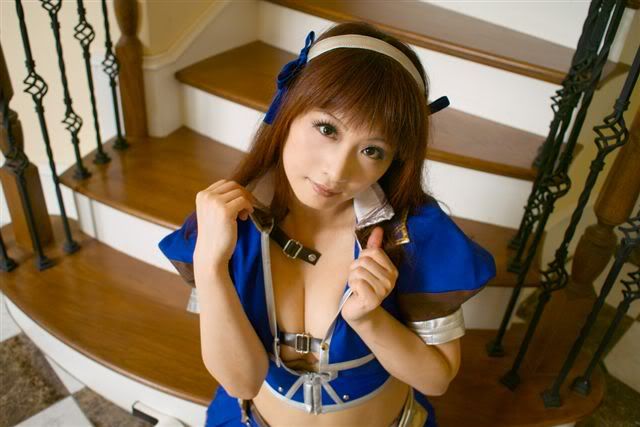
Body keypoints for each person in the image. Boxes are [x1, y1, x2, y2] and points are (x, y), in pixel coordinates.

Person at [158, 21, 496, 427]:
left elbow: (436, 380)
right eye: (327, 128)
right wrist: (210, 266)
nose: (336, 171)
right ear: (288, 110)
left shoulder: (413, 234)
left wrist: (369, 319)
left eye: (372, 150)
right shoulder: (231, 224)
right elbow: (240, 382)